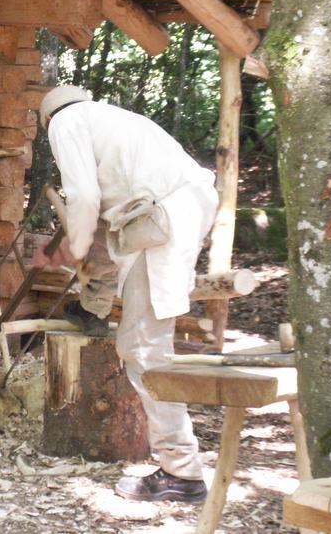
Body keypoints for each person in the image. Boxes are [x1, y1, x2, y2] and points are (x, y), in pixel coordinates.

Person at [33, 85, 219, 503]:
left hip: (164, 217)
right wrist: (85, 276)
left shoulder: (66, 122)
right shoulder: (113, 122)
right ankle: (179, 464)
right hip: (172, 213)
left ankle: (182, 472)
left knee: (145, 347)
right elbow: (103, 222)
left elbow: (83, 198)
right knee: (143, 341)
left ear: (47, 120)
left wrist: (71, 252)